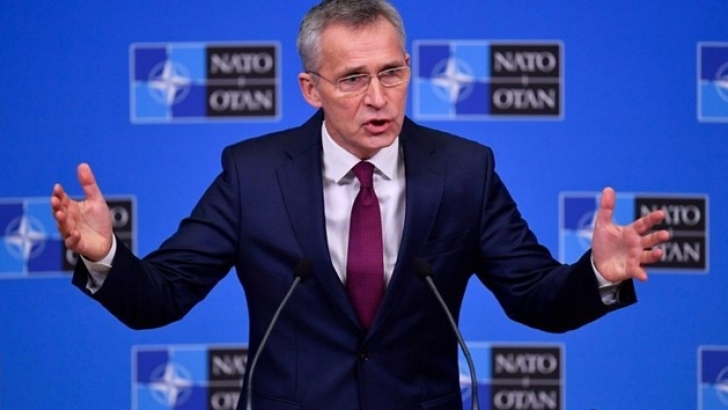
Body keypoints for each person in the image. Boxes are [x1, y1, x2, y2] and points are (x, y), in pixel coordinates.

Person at [51, 1, 670, 409]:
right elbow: (161, 297)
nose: (378, 97)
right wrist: (104, 254)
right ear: (310, 89)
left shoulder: (463, 170)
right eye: (352, 79)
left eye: (392, 73)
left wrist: (597, 272)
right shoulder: (253, 174)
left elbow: (535, 296)